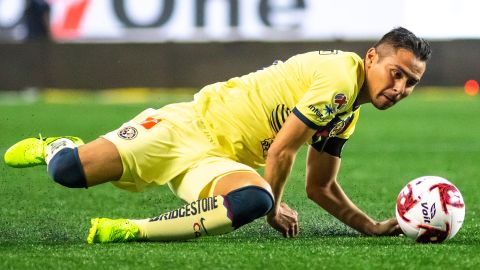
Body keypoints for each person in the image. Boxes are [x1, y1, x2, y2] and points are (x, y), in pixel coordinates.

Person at [4, 27, 431, 243]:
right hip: (186, 127)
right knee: (67, 172)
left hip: (218, 163)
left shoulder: (346, 114)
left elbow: (320, 187)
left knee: (253, 198)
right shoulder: (340, 76)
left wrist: (370, 226)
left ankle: (131, 230)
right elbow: (282, 152)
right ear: (372, 57)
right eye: (396, 74)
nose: (399, 89)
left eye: (411, 83)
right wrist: (275, 211)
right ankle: (54, 146)